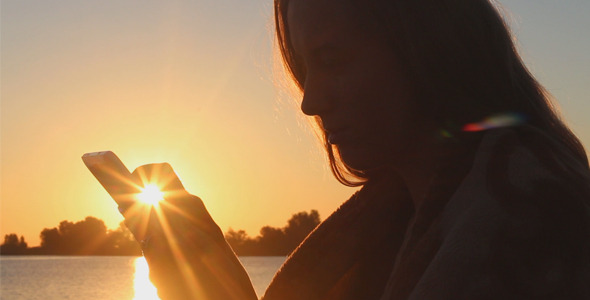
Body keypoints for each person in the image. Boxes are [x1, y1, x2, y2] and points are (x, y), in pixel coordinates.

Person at [120, 0, 590, 299]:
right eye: (305, 68)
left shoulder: (532, 211)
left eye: (331, 60)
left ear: (425, 46)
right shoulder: (413, 218)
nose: (310, 101)